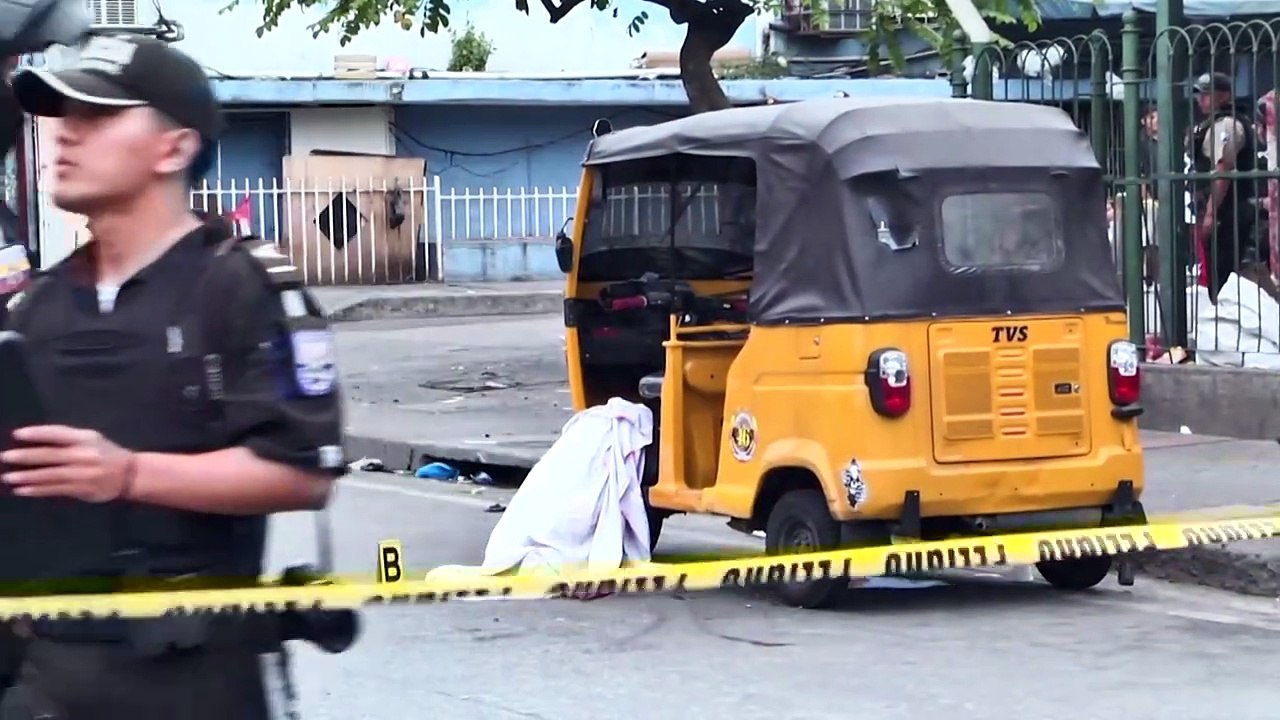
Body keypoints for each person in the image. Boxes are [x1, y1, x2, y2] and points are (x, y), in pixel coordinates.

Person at [0, 33, 346, 719]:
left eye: (96, 117)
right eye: (60, 118)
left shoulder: (243, 288)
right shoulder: (34, 308)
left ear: (175, 147)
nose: (63, 137)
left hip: (195, 676)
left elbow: (302, 474)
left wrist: (128, 475)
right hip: (43, 676)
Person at [1188, 71, 1267, 301]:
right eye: (1199, 95)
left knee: (1223, 274)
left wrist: (1211, 213)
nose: (1200, 99)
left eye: (1206, 94)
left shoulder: (1227, 125)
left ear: (1223, 96)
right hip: (1217, 207)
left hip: (1227, 210)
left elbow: (1223, 170)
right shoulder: (1211, 124)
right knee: (1216, 270)